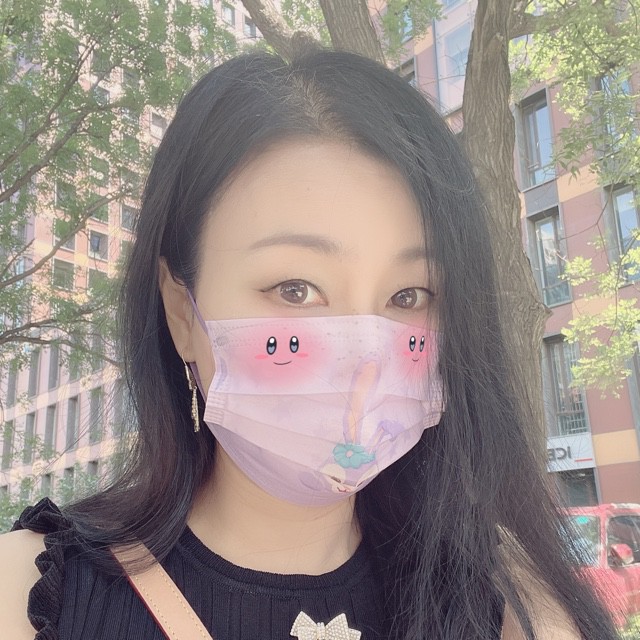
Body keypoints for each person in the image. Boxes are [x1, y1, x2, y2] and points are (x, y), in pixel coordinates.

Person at [0, 49, 619, 640]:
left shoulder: (505, 604)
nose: (364, 359)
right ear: (182, 311)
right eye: (295, 289)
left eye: (409, 296)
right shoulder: (28, 597)